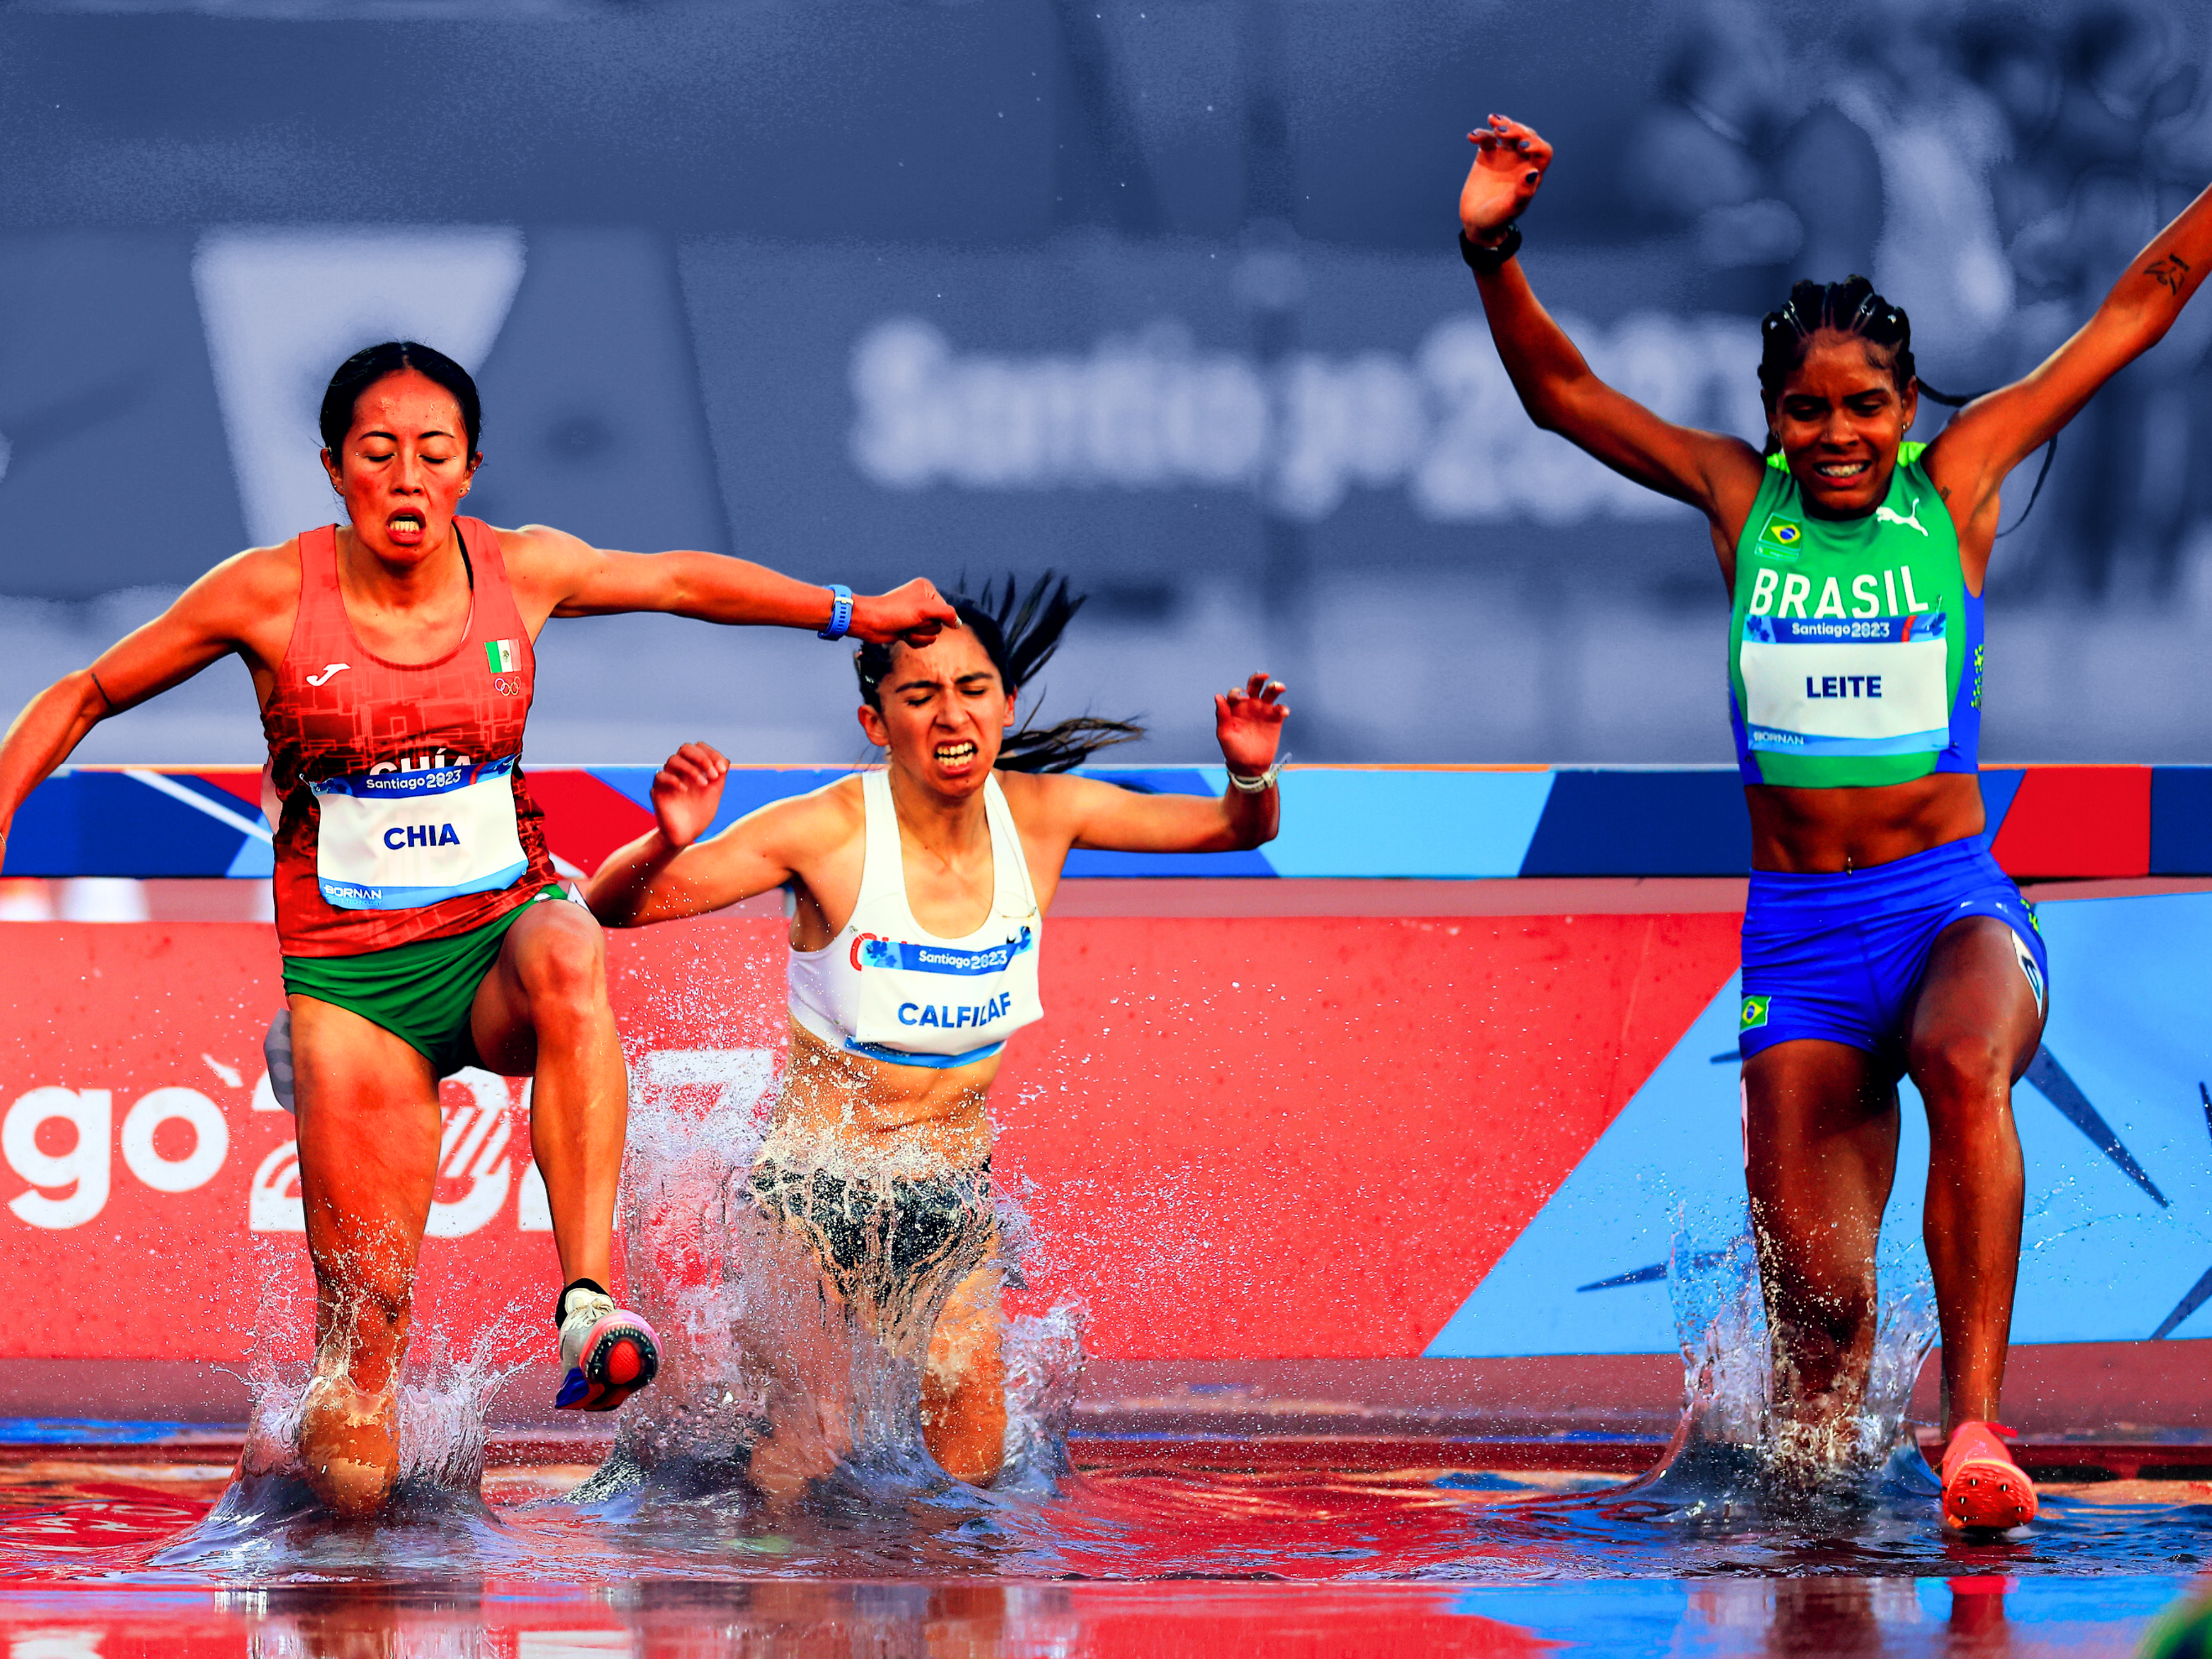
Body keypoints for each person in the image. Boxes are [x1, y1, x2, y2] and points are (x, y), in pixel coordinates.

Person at [0, 341, 957, 1518]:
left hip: (499, 943)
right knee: (364, 1350)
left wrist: (854, 612)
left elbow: (676, 583)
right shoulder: (263, 593)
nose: (406, 479)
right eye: (378, 454)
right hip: (354, 989)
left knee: (569, 945)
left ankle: (589, 1300)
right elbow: (86, 693)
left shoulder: (524, 569)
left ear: (469, 469)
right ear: (334, 469)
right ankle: (337, 1518)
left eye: (433, 455)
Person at [1457, 113, 2212, 1530]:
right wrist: (1491, 245)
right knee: (1819, 1341)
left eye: (1864, 406)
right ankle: (1819, 1537)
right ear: (1769, 419)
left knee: (1960, 1056)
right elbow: (1558, 392)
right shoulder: (1737, 503)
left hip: (1947, 907)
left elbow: (2136, 306)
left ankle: (1976, 1427)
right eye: (1805, 411)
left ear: (1909, 404)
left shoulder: (1964, 481)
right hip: (1798, 942)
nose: (1836, 435)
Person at [585, 577, 1287, 1487]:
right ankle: (755, 1595)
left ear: (1006, 701)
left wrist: (1250, 769)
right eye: (920, 696)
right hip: (810, 1194)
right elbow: (612, 906)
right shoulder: (824, 831)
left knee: (974, 1469)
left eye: (972, 690)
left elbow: (1235, 828)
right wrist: (666, 839)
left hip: (952, 1196)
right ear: (877, 722)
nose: (951, 715)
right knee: (814, 1446)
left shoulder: (1047, 815)